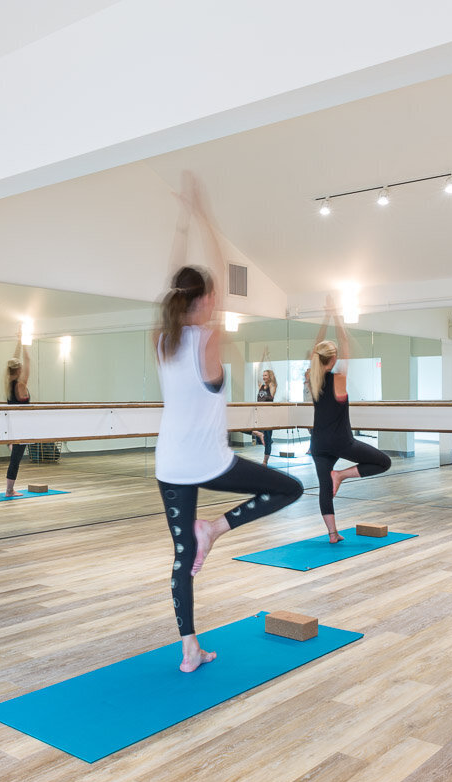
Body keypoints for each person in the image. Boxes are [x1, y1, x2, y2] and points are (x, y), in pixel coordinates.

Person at [155, 173, 303, 673]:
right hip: (209, 465)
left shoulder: (163, 340)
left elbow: (174, 281)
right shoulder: (206, 342)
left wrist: (181, 221)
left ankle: (189, 649)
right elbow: (215, 274)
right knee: (289, 488)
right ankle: (215, 528)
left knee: (181, 558)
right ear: (207, 300)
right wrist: (205, 216)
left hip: (169, 465)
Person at [309, 297, 391, 543]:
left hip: (319, 444)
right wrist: (336, 315)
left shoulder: (311, 378)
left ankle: (333, 534)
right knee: (384, 462)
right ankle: (341, 475)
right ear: (332, 360)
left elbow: (317, 349)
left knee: (324, 488)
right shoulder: (339, 380)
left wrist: (325, 318)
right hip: (342, 442)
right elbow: (345, 344)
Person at [3, 333, 31, 497]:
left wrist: (20, 340)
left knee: (16, 456)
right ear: (18, 369)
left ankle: (10, 444)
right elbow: (27, 362)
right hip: (21, 426)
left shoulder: (9, 382)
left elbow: (15, 359)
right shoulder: (20, 385)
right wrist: (26, 345)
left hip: (12, 424)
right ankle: (9, 490)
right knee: (16, 459)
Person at [250, 348, 277, 465]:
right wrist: (262, 358)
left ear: (269, 376)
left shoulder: (272, 386)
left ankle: (265, 461)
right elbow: (258, 373)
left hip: (268, 416)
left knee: (267, 438)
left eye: (266, 375)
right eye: (263, 375)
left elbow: (273, 377)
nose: (264, 377)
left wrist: (268, 358)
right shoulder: (260, 385)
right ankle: (258, 433)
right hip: (259, 413)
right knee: (246, 426)